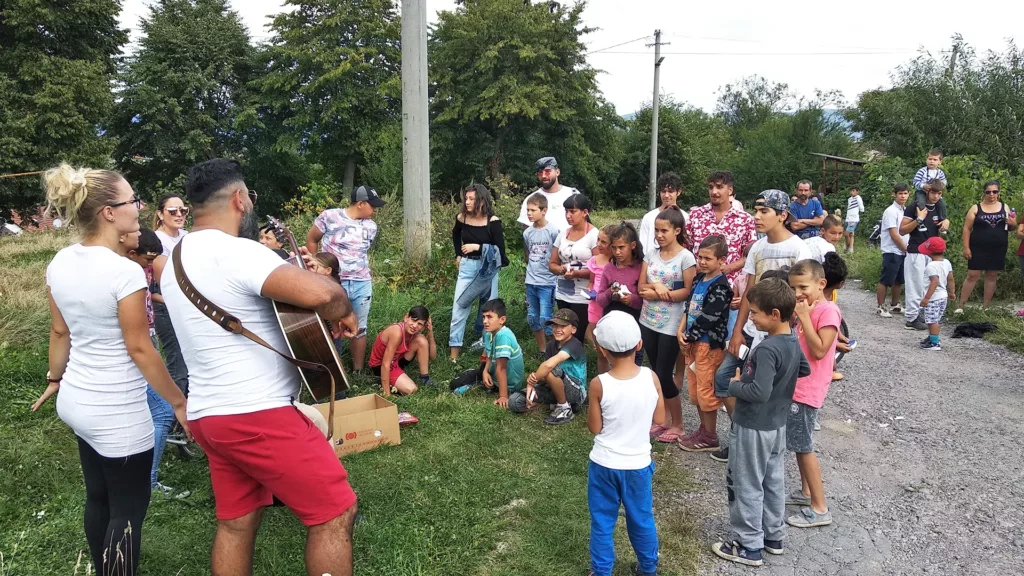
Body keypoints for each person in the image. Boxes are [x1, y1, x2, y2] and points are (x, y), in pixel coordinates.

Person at [160, 158, 360, 576]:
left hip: (208, 415)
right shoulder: (238, 252)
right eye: (249, 196)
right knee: (335, 512)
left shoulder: (176, 259)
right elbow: (323, 297)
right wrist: (342, 304)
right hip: (257, 412)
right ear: (239, 199)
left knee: (236, 523)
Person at [32, 163, 189, 576]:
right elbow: (140, 347)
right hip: (115, 411)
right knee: (128, 510)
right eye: (132, 200)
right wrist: (179, 402)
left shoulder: (61, 261)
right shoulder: (124, 271)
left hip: (77, 402)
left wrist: (54, 380)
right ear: (108, 212)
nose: (138, 206)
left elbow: (59, 331)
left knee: (98, 496)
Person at [711, 278, 810, 567]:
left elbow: (758, 392)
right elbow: (802, 368)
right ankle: (773, 537)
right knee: (773, 481)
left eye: (754, 313)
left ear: (775, 314)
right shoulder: (790, 339)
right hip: (776, 424)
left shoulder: (767, 348)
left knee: (746, 483)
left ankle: (748, 544)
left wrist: (734, 385)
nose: (750, 318)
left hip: (753, 425)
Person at [714, 190, 811, 464]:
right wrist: (737, 331)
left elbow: (802, 295)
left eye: (764, 211)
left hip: (777, 336)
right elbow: (750, 292)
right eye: (756, 210)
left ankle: (757, 444)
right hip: (750, 331)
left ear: (782, 215)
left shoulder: (798, 249)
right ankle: (739, 433)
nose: (756, 217)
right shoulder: (757, 248)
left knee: (762, 388)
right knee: (724, 379)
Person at [586, 311, 665, 576]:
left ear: (601, 349)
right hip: (638, 465)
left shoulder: (599, 384)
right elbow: (661, 417)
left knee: (602, 522)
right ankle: (648, 567)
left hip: (604, 464)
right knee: (642, 519)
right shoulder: (651, 377)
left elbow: (595, 428)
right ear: (639, 344)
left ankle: (601, 571)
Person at [122, 227, 190, 498]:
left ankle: (132, 478)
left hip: (141, 346)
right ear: (131, 254)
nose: (151, 265)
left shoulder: (135, 272)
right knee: (163, 411)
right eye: (148, 259)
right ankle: (147, 484)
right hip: (135, 353)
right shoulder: (126, 277)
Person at [785, 259, 840, 529]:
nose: (797, 293)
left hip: (807, 390)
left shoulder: (827, 311)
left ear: (821, 284)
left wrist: (805, 317)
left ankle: (820, 508)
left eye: (803, 286)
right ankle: (806, 493)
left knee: (804, 447)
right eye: (793, 287)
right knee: (798, 442)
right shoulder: (808, 308)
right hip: (796, 387)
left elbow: (819, 350)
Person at [306, 185, 385, 371]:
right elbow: (312, 239)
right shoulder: (329, 217)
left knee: (359, 326)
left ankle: (358, 371)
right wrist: (313, 270)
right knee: (333, 325)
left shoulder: (371, 227)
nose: (375, 210)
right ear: (360, 204)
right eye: (372, 206)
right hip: (333, 282)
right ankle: (334, 369)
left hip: (361, 282)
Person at [638, 206, 696, 444]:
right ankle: (662, 419)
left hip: (671, 324)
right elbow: (641, 286)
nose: (659, 235)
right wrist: (656, 288)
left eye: (664, 230)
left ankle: (679, 424)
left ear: (677, 230)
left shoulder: (686, 257)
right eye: (657, 230)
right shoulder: (651, 254)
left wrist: (663, 292)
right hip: (648, 319)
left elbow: (687, 291)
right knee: (654, 372)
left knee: (664, 374)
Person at [677, 234, 733, 453]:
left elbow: (709, 317)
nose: (701, 262)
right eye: (700, 257)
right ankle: (703, 430)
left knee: (707, 390)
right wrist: (680, 330)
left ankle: (710, 436)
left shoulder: (721, 287)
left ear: (721, 260)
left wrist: (689, 336)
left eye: (708, 258)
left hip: (708, 345)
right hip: (692, 341)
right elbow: (688, 306)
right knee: (695, 390)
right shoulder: (699, 280)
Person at [449, 184, 509, 360]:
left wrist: (479, 247)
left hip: (488, 269)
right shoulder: (462, 218)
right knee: (459, 307)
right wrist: (458, 254)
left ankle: (487, 352)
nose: (467, 202)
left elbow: (500, 251)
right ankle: (454, 354)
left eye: (471, 199)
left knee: (489, 311)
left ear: (482, 201)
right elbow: (455, 235)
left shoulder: (493, 221)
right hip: (467, 268)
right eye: (466, 198)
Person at [150, 193, 190, 396]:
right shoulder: (156, 241)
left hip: (188, 303)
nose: (179, 214)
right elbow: (155, 281)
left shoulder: (187, 236)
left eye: (183, 210)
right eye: (172, 211)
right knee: (178, 361)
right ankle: (175, 415)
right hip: (165, 305)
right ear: (160, 214)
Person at [956, 180, 1015, 312]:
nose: (991, 194)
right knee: (972, 275)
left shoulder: (1005, 207)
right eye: (988, 192)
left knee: (992, 275)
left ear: (998, 193)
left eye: (994, 191)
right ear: (984, 193)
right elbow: (966, 229)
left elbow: (1011, 227)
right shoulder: (976, 208)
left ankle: (986, 307)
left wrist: (1013, 222)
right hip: (978, 247)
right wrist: (966, 247)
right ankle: (961, 306)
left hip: (998, 247)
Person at [900, 179, 950, 330]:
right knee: (914, 285)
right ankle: (911, 318)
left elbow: (941, 231)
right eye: (933, 192)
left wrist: (945, 225)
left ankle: (922, 313)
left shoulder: (939, 209)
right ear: (927, 191)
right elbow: (902, 230)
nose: (936, 196)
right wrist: (919, 219)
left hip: (933, 254)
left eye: (939, 193)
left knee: (928, 285)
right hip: (916, 251)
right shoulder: (913, 207)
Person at [549, 194, 599, 343]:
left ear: (585, 212)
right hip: (562, 292)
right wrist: (560, 270)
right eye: (566, 211)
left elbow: (599, 269)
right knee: (563, 333)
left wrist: (577, 273)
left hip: (583, 294)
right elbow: (552, 263)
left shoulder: (594, 236)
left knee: (577, 334)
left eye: (572, 211)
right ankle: (564, 363)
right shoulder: (563, 234)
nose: (568, 216)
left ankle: (577, 363)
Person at [525, 309, 589, 425]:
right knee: (516, 401)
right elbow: (545, 374)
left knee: (552, 369)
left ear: (573, 329)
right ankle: (558, 404)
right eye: (555, 325)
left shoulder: (574, 344)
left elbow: (548, 366)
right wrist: (536, 378)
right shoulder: (550, 345)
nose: (557, 329)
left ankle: (564, 408)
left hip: (576, 391)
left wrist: (532, 382)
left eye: (563, 326)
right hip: (555, 387)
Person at [468, 299, 526, 412]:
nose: (485, 321)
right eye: (484, 317)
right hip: (494, 376)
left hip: (509, 385)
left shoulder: (504, 336)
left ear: (502, 320)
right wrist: (485, 371)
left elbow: (502, 368)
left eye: (489, 317)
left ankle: (500, 390)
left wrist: (503, 397)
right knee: (459, 381)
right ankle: (482, 380)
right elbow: (489, 355)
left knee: (469, 380)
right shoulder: (490, 333)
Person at [522, 192, 561, 352]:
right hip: (531, 281)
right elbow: (528, 254)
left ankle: (555, 350)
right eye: (528, 210)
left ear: (544, 211)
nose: (529, 214)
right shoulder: (527, 233)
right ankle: (542, 350)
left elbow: (558, 255)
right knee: (533, 317)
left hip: (547, 282)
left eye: (533, 210)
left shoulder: (553, 231)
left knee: (546, 318)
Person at [369, 306, 437, 395]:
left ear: (424, 326)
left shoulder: (413, 332)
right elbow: (385, 364)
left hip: (396, 359)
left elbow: (432, 357)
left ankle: (424, 378)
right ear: (406, 317)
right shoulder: (396, 333)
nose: (415, 326)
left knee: (422, 340)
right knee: (411, 389)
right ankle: (382, 381)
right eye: (413, 320)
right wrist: (387, 394)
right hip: (381, 365)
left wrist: (430, 333)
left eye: (420, 324)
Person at [595, 223, 644, 324]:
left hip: (633, 320)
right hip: (611, 319)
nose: (617, 252)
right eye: (614, 248)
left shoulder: (641, 267)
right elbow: (600, 300)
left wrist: (632, 299)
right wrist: (610, 292)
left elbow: (646, 299)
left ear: (633, 245)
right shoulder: (609, 268)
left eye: (621, 247)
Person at [517, 156, 579, 232]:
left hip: (571, 242)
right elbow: (527, 233)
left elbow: (585, 223)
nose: (543, 176)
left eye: (548, 171)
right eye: (540, 173)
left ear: (557, 172)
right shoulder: (532, 199)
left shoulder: (572, 194)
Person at [877, 184, 911, 318]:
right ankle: (880, 306)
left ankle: (895, 304)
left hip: (903, 250)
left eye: (905, 193)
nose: (903, 196)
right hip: (892, 250)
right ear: (894, 194)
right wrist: (905, 248)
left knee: (899, 279)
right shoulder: (890, 211)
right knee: (886, 279)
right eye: (900, 193)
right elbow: (894, 233)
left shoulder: (906, 211)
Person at [586, 225, 616, 373]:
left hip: (610, 307)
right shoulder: (594, 260)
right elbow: (591, 282)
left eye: (603, 242)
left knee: (614, 349)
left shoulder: (616, 262)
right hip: (594, 307)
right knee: (600, 351)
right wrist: (589, 291)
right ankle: (603, 381)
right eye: (598, 240)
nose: (598, 244)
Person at [919, 237, 955, 351]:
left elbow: (934, 282)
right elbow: (950, 279)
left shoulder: (931, 266)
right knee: (935, 319)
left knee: (932, 320)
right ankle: (931, 337)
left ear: (929, 252)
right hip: (943, 296)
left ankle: (935, 343)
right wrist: (952, 292)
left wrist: (926, 298)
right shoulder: (947, 263)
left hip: (934, 298)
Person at [639, 172, 688, 256]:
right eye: (663, 191)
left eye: (670, 191)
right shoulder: (649, 217)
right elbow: (642, 246)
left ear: (678, 192)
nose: (666, 195)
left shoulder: (686, 218)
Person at [912, 148, 948, 218]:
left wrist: (942, 185)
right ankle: (920, 219)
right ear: (926, 160)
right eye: (930, 159)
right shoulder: (922, 171)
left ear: (940, 162)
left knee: (942, 204)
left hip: (935, 193)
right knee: (921, 203)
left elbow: (944, 181)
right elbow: (915, 182)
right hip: (922, 192)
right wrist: (923, 186)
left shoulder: (940, 172)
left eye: (935, 160)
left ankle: (942, 219)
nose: (932, 161)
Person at [844, 187, 866, 254]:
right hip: (848, 218)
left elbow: (862, 209)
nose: (852, 192)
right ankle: (850, 249)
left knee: (846, 233)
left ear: (857, 192)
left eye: (853, 191)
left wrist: (858, 210)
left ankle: (849, 248)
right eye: (851, 191)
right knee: (851, 234)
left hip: (853, 219)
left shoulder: (858, 198)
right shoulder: (849, 199)